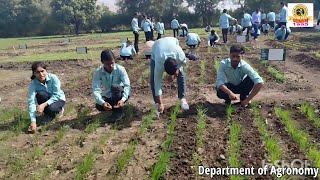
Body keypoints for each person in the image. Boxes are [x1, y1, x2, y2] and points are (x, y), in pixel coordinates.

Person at [150, 37, 189, 114]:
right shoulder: (159, 63)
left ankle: (182, 99)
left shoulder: (179, 54)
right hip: (156, 46)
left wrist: (175, 74)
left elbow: (184, 62)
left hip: (173, 41)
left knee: (181, 74)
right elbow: (157, 83)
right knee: (153, 80)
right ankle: (157, 103)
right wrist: (161, 103)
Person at [92, 49, 130, 122]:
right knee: (99, 105)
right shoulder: (98, 72)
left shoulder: (120, 69)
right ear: (102, 62)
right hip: (109, 95)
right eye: (107, 64)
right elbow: (96, 89)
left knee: (115, 87)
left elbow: (127, 85)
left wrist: (123, 99)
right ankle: (113, 107)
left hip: (120, 94)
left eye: (112, 63)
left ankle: (119, 112)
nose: (111, 66)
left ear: (114, 60)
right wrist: (103, 103)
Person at [28, 62, 65, 133]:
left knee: (52, 108)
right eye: (37, 72)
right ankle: (48, 114)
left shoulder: (53, 78)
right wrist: (33, 121)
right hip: (46, 100)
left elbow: (56, 95)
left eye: (42, 71)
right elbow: (31, 101)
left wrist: (43, 105)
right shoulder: (33, 83)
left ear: (46, 70)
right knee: (40, 94)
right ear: (34, 73)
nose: (41, 74)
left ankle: (59, 110)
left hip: (58, 99)